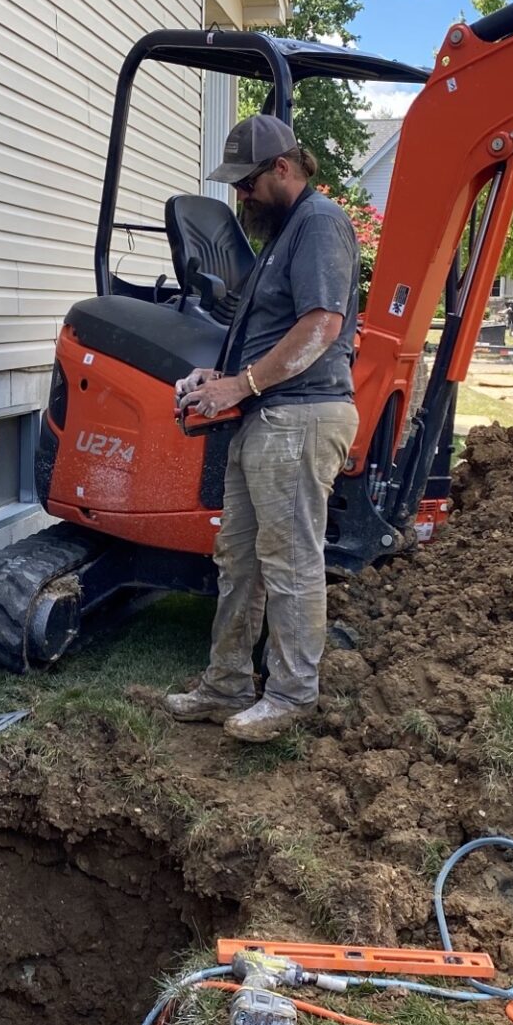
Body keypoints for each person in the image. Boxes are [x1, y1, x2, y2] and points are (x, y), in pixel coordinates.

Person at [167, 113, 361, 742]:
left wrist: (241, 385)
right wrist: (214, 375)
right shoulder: (284, 232)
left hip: (300, 416)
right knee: (240, 560)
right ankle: (225, 684)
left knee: (291, 561)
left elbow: (320, 327)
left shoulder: (320, 224)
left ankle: (290, 695)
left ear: (283, 168)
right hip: (270, 415)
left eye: (246, 184)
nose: (240, 197)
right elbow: (272, 329)